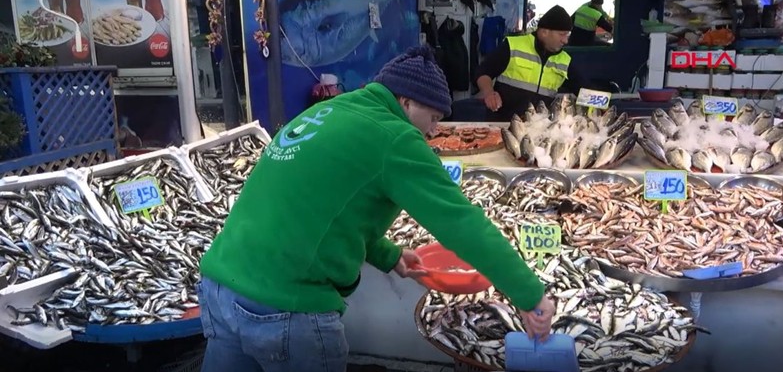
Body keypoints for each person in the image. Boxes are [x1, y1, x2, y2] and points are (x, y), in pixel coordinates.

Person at [196, 46, 556, 372]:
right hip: (286, 307)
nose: (434, 130)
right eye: (433, 117)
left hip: (221, 288)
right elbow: (461, 223)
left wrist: (387, 253)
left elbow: (322, 203)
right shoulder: (395, 136)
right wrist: (529, 295)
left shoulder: (329, 110)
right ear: (406, 102)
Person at [475, 5, 590, 122]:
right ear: (544, 32)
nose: (565, 41)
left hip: (538, 130)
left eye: (567, 35)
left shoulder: (565, 61)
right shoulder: (512, 46)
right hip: (502, 124)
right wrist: (489, 93)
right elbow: (483, 72)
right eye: (562, 34)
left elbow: (585, 90)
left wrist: (602, 106)